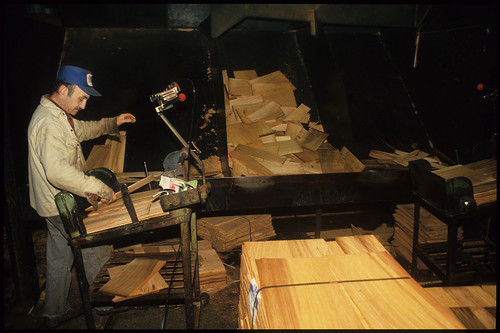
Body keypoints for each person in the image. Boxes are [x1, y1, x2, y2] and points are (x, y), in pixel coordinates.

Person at [27, 65, 136, 328]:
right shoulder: (48, 123)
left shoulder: (61, 115)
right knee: (95, 249)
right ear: (63, 90)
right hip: (60, 205)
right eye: (81, 98)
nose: (84, 105)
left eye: (86, 99)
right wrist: (97, 187)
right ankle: (104, 309)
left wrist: (112, 123)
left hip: (51, 204)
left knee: (59, 257)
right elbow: (56, 172)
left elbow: (83, 131)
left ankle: (53, 313)